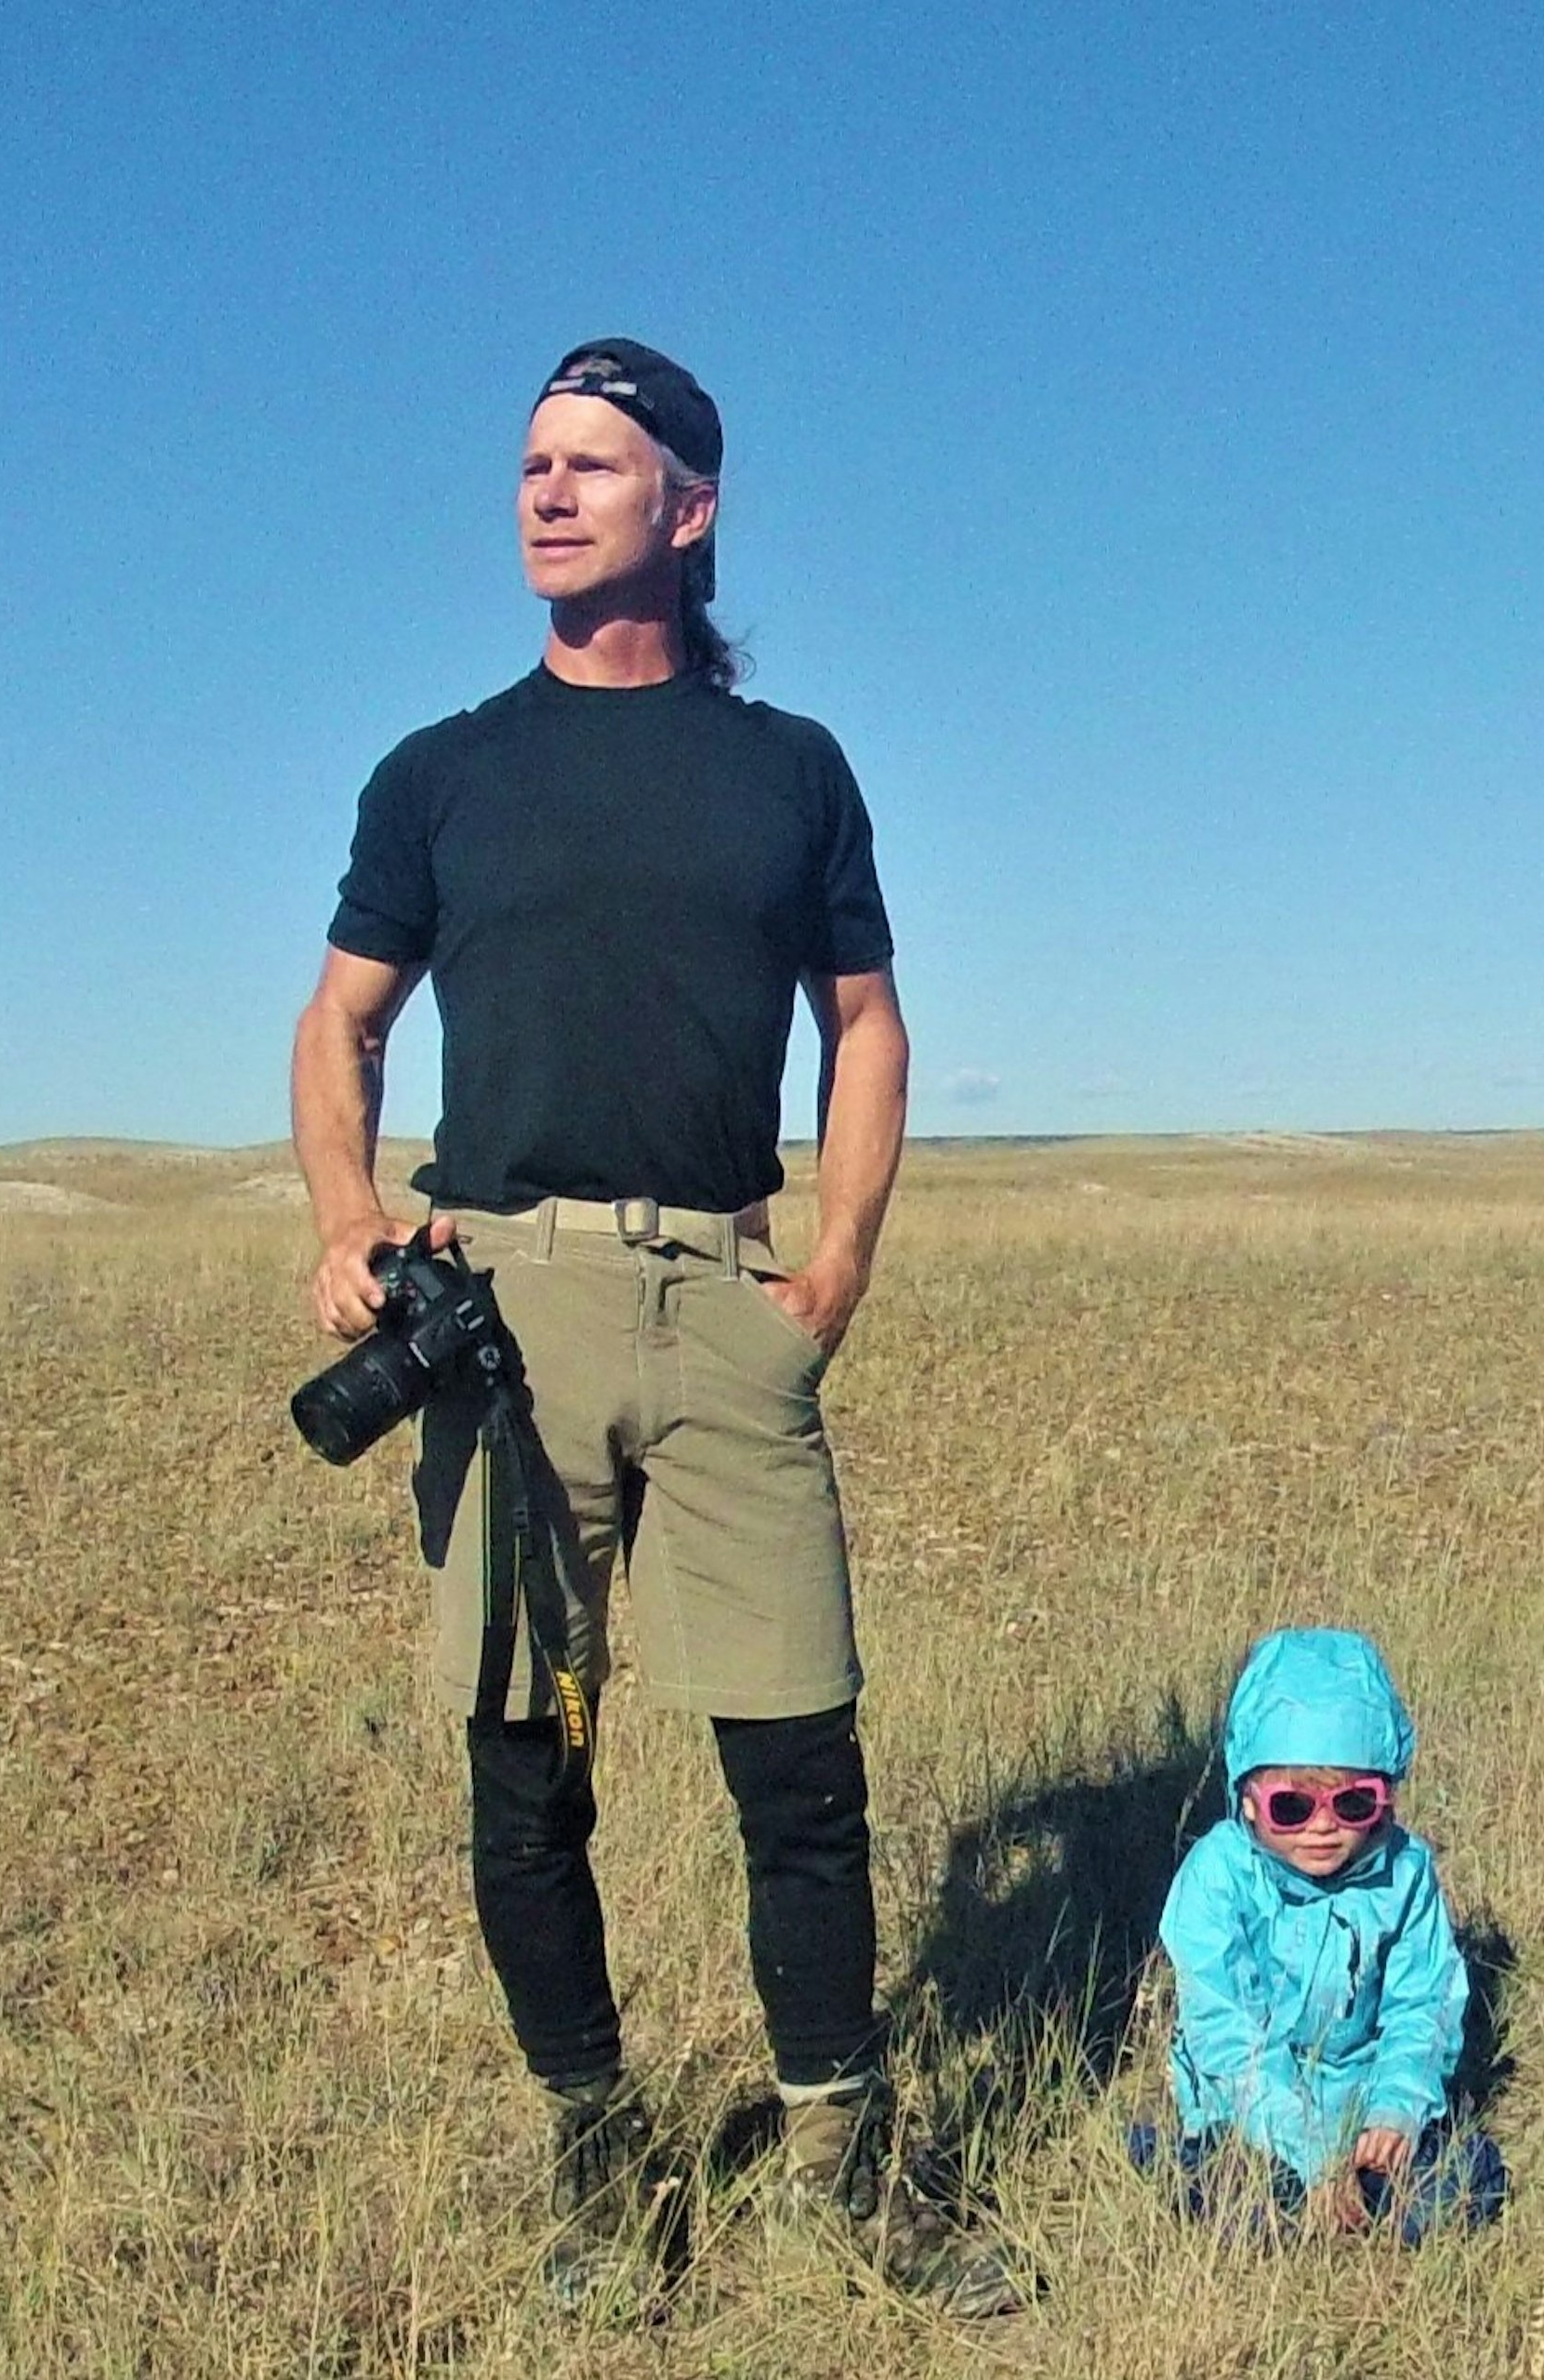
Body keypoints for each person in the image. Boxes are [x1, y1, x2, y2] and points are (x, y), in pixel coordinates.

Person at [287, 337, 1020, 2318]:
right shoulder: (440, 772)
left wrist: (839, 1263)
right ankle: (600, 2159)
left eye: (593, 465)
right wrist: (352, 1213)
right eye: (530, 461)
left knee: (802, 1753)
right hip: (505, 1321)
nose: (545, 491)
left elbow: (865, 1023)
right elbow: (339, 1020)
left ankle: (845, 2162)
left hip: (726, 1302)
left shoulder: (791, 773)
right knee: (525, 1758)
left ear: (690, 509)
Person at [1142, 1628, 1509, 2242]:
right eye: (1293, 1806)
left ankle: (1364, 2197)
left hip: (1366, 2110)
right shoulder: (1215, 1878)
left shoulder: (1406, 1872)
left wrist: (1395, 2110)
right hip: (1253, 2118)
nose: (1322, 1827)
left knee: (1450, 2197)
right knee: (1239, 2207)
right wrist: (1310, 2156)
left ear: (1385, 1798)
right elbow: (1227, 2038)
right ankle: (1194, 2168)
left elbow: (1424, 2007)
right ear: (1250, 1800)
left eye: (1353, 1804)